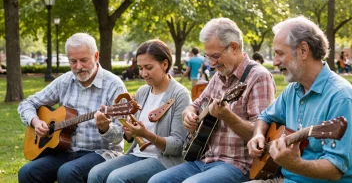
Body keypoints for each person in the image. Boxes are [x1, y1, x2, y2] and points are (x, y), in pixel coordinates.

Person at [149, 17, 276, 183]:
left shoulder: (259, 77)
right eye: (208, 57)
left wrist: (228, 116)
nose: (212, 63)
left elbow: (260, 134)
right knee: (156, 181)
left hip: (238, 164)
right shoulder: (219, 75)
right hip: (204, 158)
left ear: (234, 47)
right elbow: (195, 105)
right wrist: (189, 114)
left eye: (216, 56)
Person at [246, 16, 352, 183]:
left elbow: (335, 170)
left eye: (280, 53)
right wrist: (258, 135)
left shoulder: (340, 97)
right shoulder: (292, 90)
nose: (274, 62)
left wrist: (295, 165)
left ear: (303, 50)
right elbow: (264, 117)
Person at [18, 33, 127, 183]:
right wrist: (36, 122)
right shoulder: (65, 81)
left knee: (68, 172)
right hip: (64, 150)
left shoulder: (114, 85)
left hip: (101, 152)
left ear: (96, 56)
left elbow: (121, 136)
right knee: (27, 172)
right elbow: (27, 103)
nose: (78, 67)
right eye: (73, 61)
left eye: (83, 60)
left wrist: (105, 129)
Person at [88, 39, 192, 183]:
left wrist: (146, 134)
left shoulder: (180, 95)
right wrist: (129, 133)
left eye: (148, 67)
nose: (143, 73)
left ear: (165, 64)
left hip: (165, 160)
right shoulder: (143, 91)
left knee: (116, 178)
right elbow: (132, 136)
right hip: (137, 154)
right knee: (95, 174)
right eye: (140, 68)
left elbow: (178, 145)